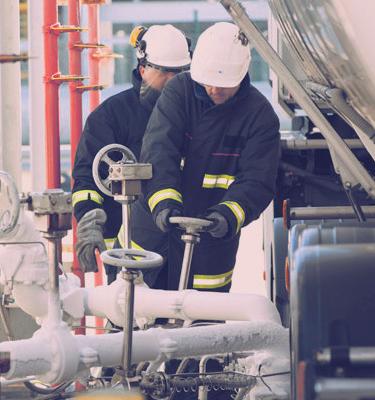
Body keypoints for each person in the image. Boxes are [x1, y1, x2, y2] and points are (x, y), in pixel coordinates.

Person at [129, 22, 280, 293]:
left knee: (203, 319)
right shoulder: (179, 93)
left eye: (224, 84)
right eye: (208, 81)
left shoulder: (260, 116)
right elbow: (159, 151)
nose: (214, 89)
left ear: (241, 74)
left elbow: (257, 181)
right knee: (136, 311)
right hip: (152, 236)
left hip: (211, 245)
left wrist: (227, 216)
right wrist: (163, 203)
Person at [71, 24, 192, 285]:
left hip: (189, 248)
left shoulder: (199, 115)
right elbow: (87, 179)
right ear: (143, 69)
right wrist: (90, 220)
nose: (173, 80)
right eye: (164, 72)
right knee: (130, 311)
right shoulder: (111, 117)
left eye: (180, 72)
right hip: (129, 254)